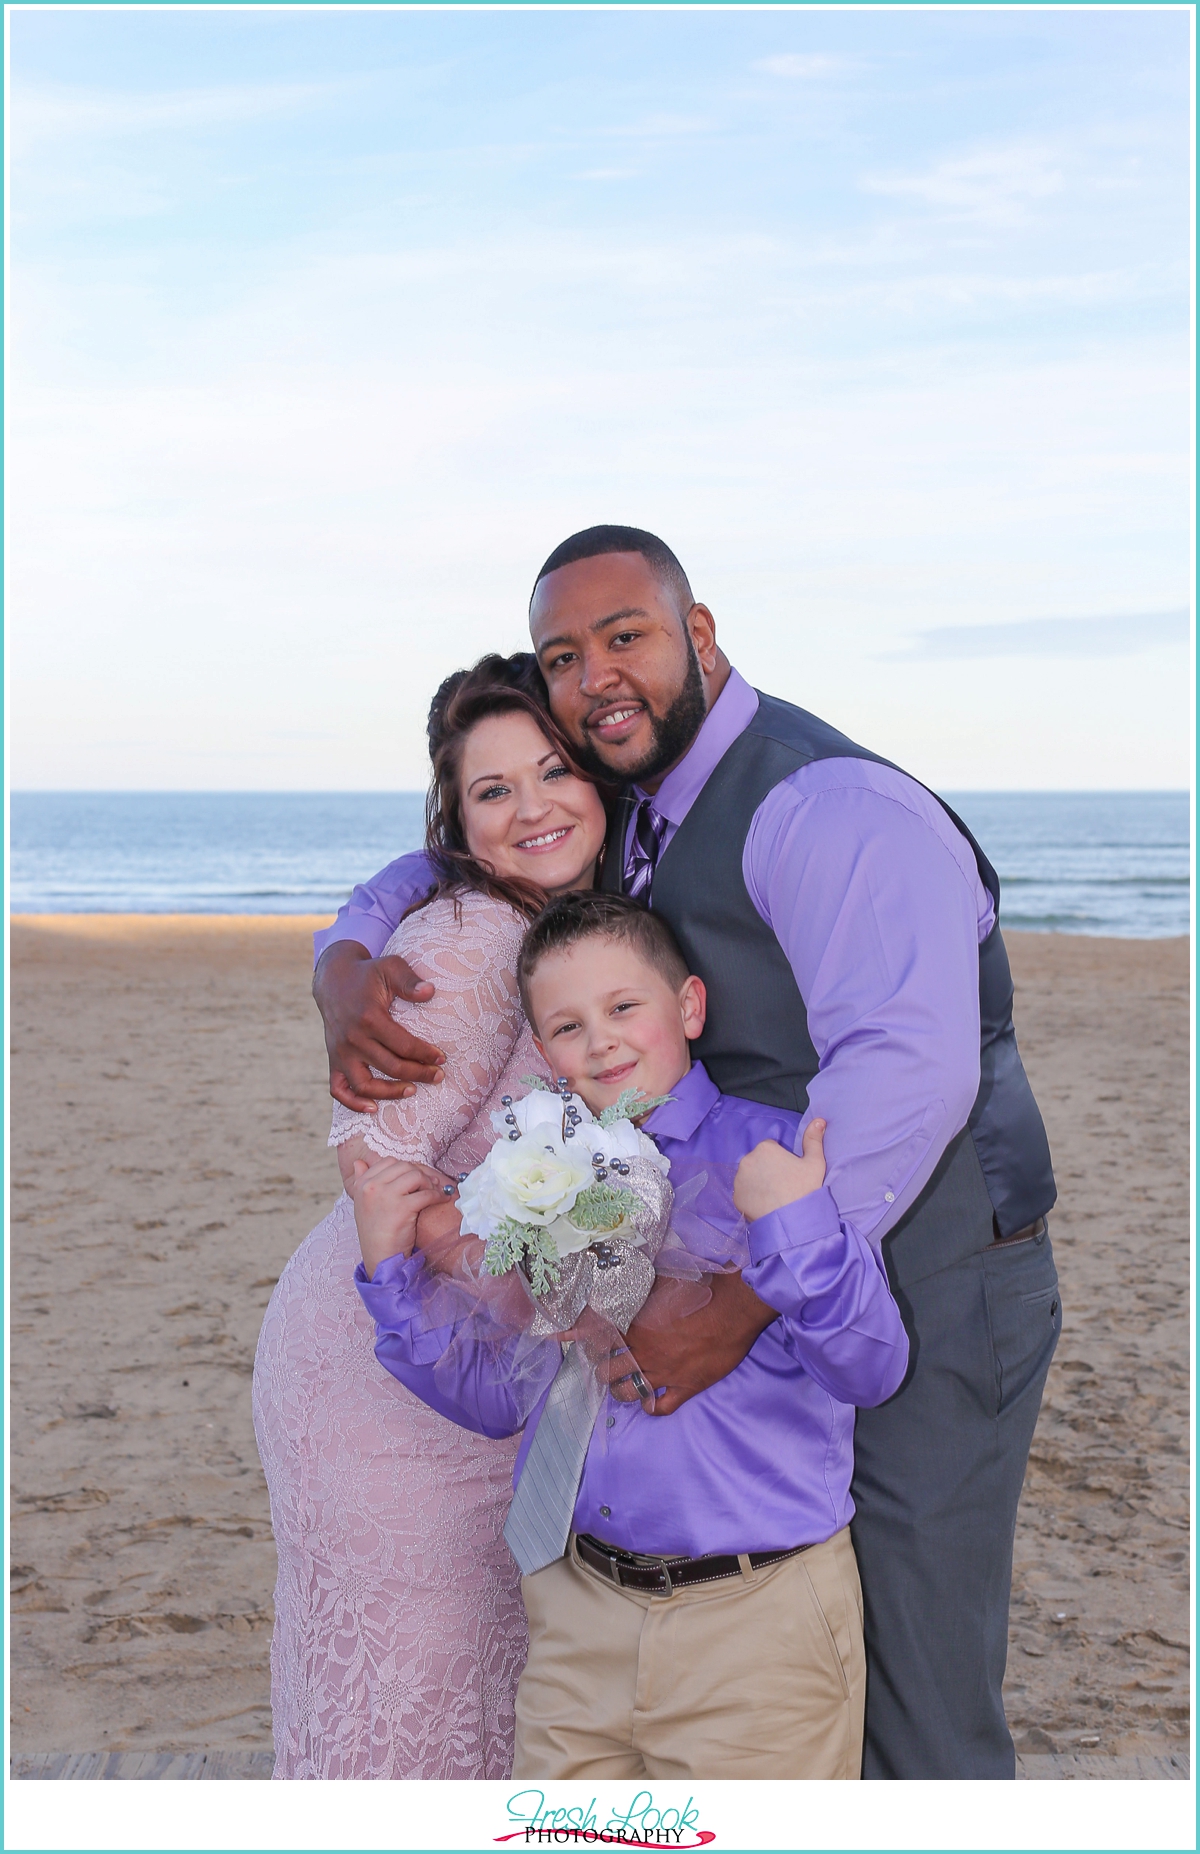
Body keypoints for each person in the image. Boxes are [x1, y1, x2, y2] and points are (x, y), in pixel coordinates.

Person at [312, 525, 1062, 1780]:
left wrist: (744, 1297)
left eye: (627, 637)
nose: (597, 674)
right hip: (766, 1267)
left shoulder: (823, 802)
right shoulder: (643, 798)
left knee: (917, 1692)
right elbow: (462, 838)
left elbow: (908, 1073)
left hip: (929, 1270)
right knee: (828, 1657)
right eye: (564, 654)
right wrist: (343, 956)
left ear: (699, 635)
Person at [350, 892, 909, 1779]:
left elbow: (870, 1367)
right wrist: (390, 1274)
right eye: (567, 1026)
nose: (601, 1040)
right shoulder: (525, 1179)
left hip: (756, 1622)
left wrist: (796, 1227)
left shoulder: (772, 1159)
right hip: (579, 1612)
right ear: (542, 1051)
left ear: (687, 1006)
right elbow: (503, 1396)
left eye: (624, 1007)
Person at [251, 655, 610, 1778]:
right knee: (411, 1709)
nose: (533, 806)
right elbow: (378, 1155)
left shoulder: (567, 919)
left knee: (464, 1705)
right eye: (493, 791)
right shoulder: (477, 937)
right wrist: (464, 1230)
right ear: (458, 820)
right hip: (382, 1371)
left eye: (553, 770)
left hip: (468, 1362)